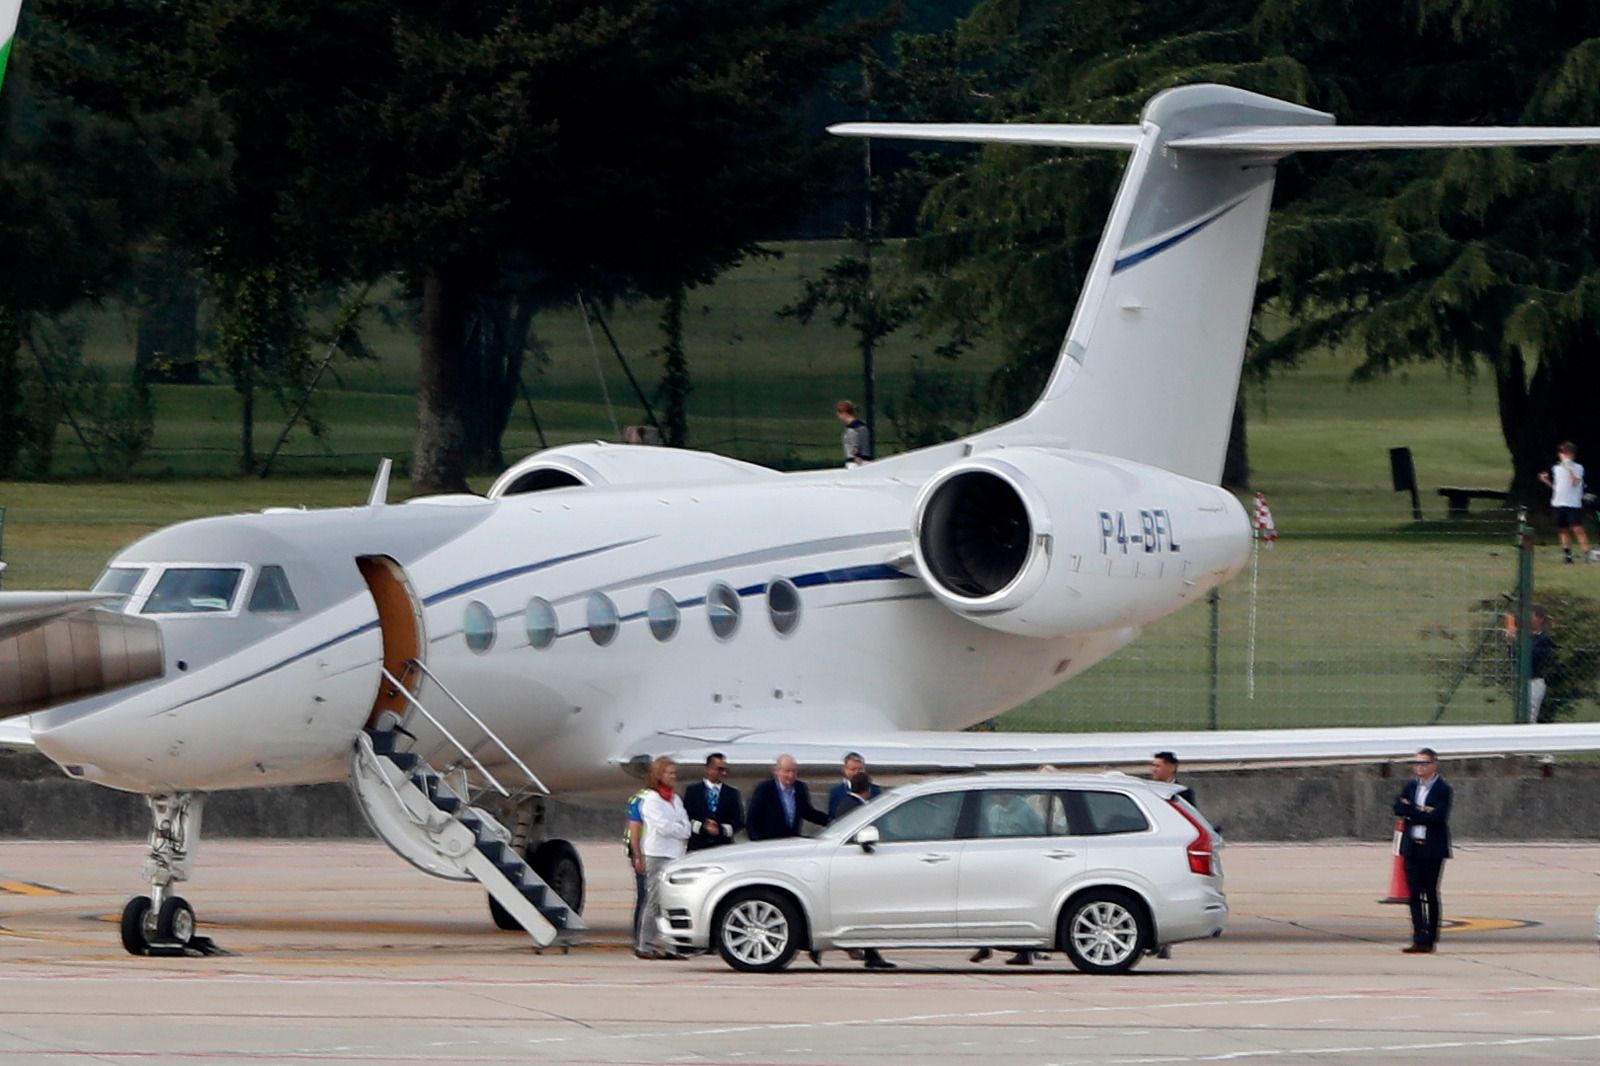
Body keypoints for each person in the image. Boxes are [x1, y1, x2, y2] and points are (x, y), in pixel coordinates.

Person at [1393, 747, 1452, 954]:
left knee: (1430, 893)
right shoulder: (1410, 786)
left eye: (1424, 763)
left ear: (1434, 764)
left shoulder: (1443, 789)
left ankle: (1431, 937)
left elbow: (1437, 817)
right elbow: (1397, 808)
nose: (1419, 766)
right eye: (1417, 763)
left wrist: (1413, 812)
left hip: (1432, 848)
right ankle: (1418, 937)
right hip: (1412, 846)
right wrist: (1420, 811)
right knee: (1414, 894)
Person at [635, 756, 692, 960]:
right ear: (659, 775)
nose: (674, 777)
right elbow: (663, 827)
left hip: (676, 855)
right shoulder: (651, 799)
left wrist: (679, 828)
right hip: (658, 854)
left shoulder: (675, 799)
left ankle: (673, 946)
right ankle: (645, 944)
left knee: (674, 902)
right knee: (654, 901)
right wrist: (679, 828)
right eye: (670, 773)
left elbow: (686, 826)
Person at [746, 754, 830, 840]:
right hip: (770, 842)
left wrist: (831, 822)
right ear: (777, 771)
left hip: (792, 841)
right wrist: (757, 841)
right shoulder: (764, 789)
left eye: (794, 771)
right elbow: (752, 819)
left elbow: (807, 812)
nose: (791, 775)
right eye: (787, 771)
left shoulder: (800, 787)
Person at [1538, 442, 1590, 564]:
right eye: (1563, 453)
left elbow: (1576, 482)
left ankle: (1587, 552)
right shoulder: (1556, 469)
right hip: (1559, 503)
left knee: (1577, 529)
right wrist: (1546, 481)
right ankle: (1567, 554)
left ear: (1572, 455)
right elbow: (1558, 487)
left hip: (1573, 504)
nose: (1565, 456)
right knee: (1563, 529)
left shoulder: (1578, 468)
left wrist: (1569, 469)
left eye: (1567, 454)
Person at [682, 751, 744, 850]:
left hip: (723, 846)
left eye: (725, 769)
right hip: (697, 846)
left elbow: (738, 821)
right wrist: (703, 827)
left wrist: (720, 829)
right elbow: (685, 817)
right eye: (720, 769)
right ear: (708, 769)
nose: (723, 773)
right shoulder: (693, 791)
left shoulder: (732, 793)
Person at [624, 784, 651, 953]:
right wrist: (637, 855)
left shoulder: (638, 796)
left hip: (648, 853)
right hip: (645, 853)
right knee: (645, 898)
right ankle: (640, 937)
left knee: (647, 898)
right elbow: (635, 830)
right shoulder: (644, 799)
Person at [827, 752, 882, 818]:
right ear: (845, 770)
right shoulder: (836, 792)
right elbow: (832, 817)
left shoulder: (875, 790)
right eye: (853, 769)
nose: (856, 773)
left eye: (860, 769)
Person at [835, 400, 872, 465]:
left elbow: (854, 444)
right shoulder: (863, 426)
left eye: (839, 412)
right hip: (866, 460)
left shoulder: (851, 429)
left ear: (844, 413)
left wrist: (856, 456)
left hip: (855, 462)